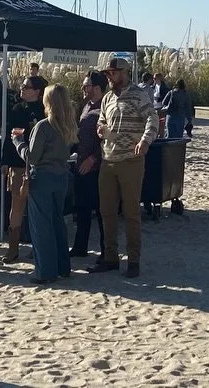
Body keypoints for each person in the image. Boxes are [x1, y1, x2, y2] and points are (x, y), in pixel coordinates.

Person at [90, 57, 157, 278]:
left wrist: (145, 141)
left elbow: (152, 119)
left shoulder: (139, 95)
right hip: (108, 160)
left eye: (113, 73)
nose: (109, 76)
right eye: (108, 73)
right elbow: (101, 120)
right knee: (106, 211)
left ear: (125, 73)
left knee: (130, 212)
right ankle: (110, 257)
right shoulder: (108, 97)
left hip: (131, 160)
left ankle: (133, 260)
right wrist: (101, 129)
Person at [14, 84, 78, 284]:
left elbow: (32, 158)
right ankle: (62, 266)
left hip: (42, 177)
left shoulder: (44, 126)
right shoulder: (69, 125)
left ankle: (45, 271)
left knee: (41, 225)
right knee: (57, 221)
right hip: (61, 177)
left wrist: (18, 142)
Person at [0, 74, 47, 263]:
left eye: (27, 87)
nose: (22, 89)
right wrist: (4, 161)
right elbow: (9, 137)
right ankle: (13, 248)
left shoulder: (46, 111)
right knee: (16, 207)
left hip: (40, 166)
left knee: (38, 208)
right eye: (22, 86)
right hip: (18, 164)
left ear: (38, 91)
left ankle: (37, 247)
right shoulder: (16, 109)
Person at [71, 71, 107, 258]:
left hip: (98, 169)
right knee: (82, 209)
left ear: (97, 88)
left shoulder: (107, 108)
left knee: (101, 211)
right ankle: (80, 247)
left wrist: (93, 158)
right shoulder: (87, 106)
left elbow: (109, 141)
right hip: (81, 165)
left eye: (86, 86)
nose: (83, 89)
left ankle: (106, 252)